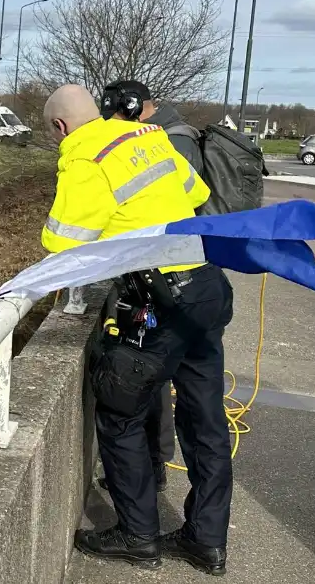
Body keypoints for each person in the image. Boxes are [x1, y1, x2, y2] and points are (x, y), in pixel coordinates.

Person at [43, 84, 234, 576]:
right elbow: (197, 192)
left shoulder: (84, 158)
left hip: (160, 297)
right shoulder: (147, 136)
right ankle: (206, 541)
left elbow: (61, 242)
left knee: (121, 409)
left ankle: (138, 535)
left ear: (60, 127)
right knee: (205, 420)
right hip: (206, 285)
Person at [98, 80, 189, 491]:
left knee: (147, 382)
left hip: (169, 282)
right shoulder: (163, 137)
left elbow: (181, 205)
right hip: (180, 280)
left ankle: (149, 478)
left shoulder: (167, 142)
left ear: (130, 108)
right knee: (162, 381)